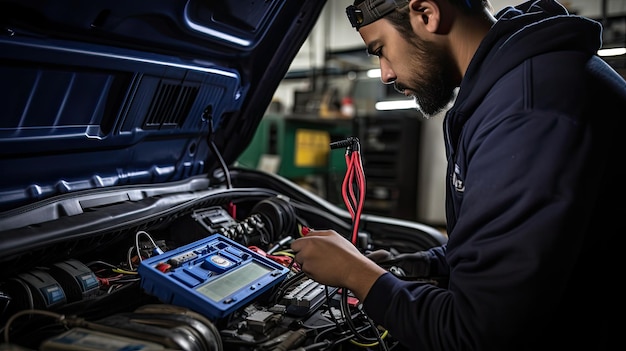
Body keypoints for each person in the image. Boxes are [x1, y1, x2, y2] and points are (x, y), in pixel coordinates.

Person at [290, 0, 626, 350]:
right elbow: (513, 243)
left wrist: (355, 275)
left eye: (381, 49)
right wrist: (424, 264)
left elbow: (475, 334)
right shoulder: (513, 86)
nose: (385, 73)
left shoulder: (529, 111)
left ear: (426, 14)